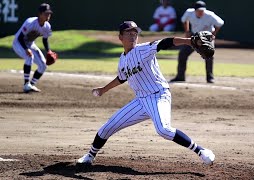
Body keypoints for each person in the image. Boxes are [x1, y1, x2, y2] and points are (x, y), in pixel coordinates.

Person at [77, 21, 215, 165]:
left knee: (163, 130)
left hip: (158, 95)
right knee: (108, 127)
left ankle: (201, 151)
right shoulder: (122, 59)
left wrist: (189, 41)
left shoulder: (143, 50)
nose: (133, 36)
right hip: (141, 101)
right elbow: (121, 78)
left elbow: (165, 43)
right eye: (129, 33)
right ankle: (90, 156)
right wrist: (103, 89)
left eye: (135, 33)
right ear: (120, 37)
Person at [170, 1, 224, 83]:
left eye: (202, 10)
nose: (201, 12)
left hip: (206, 37)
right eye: (199, 10)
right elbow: (184, 20)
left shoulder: (210, 15)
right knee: (182, 54)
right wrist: (187, 31)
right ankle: (180, 76)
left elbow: (220, 23)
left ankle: (210, 77)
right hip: (194, 36)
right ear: (194, 10)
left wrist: (213, 34)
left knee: (209, 56)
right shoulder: (189, 12)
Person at [12, 3, 54, 93]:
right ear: (40, 14)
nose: (48, 15)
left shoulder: (47, 26)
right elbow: (20, 38)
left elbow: (45, 40)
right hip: (18, 43)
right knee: (29, 56)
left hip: (30, 44)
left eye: (49, 13)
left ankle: (31, 84)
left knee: (43, 65)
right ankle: (26, 84)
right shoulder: (30, 22)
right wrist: (26, 49)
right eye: (46, 13)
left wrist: (48, 51)